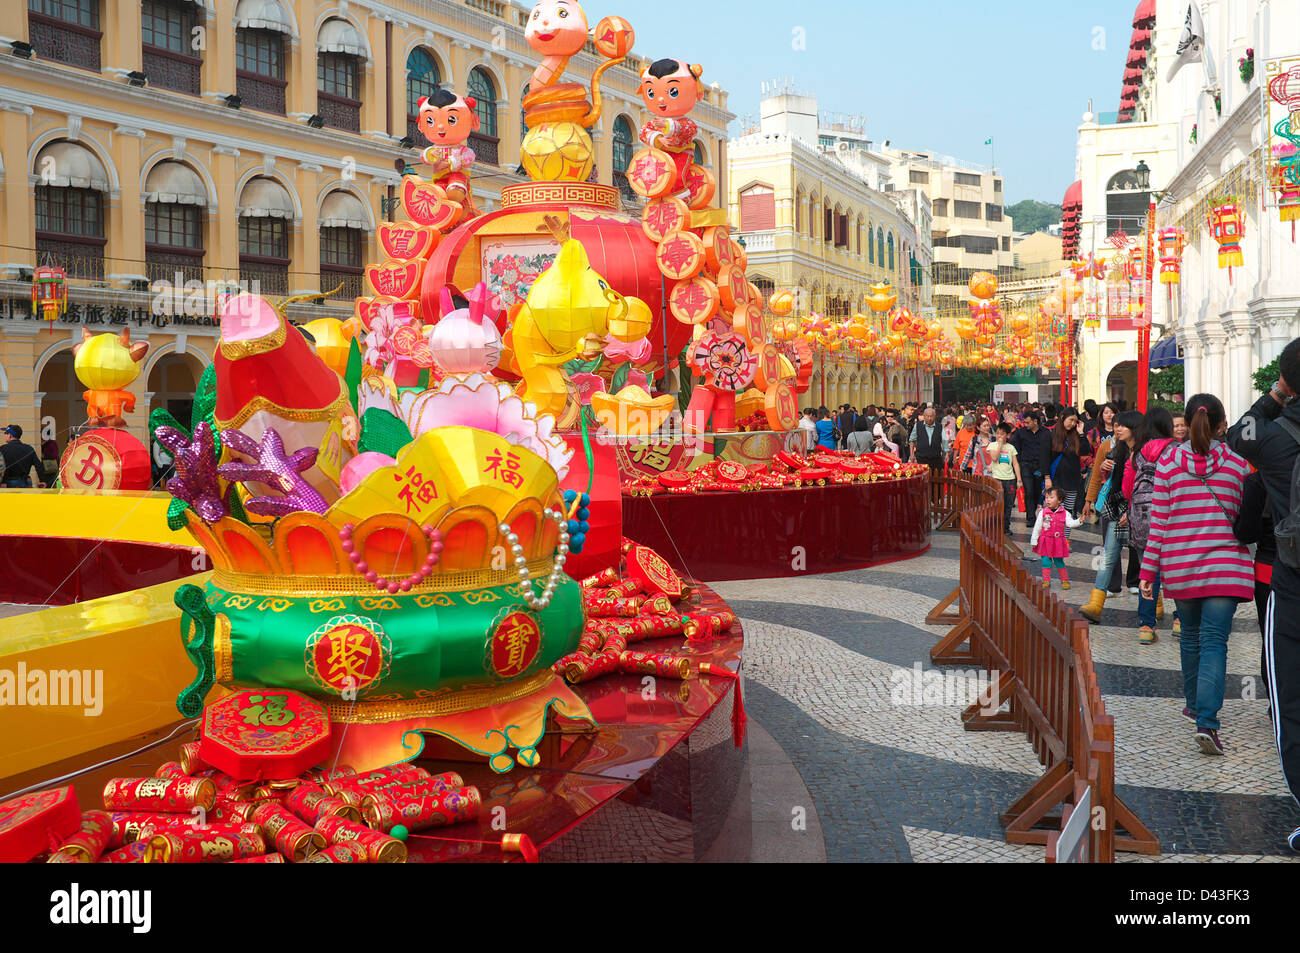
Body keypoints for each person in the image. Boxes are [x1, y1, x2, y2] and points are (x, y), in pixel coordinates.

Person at [1142, 394, 1252, 756]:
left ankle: (1194, 704)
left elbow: (1159, 523)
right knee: (1215, 642)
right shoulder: (1238, 466)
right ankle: (1207, 721)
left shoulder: (1168, 464)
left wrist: (1148, 571)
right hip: (1225, 568)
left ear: (1187, 423)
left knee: (1190, 637)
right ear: (1222, 424)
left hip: (1181, 566)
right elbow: (1243, 517)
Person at [1226, 341, 1300, 835]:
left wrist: (1278, 393)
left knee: (1288, 697)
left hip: (1292, 587)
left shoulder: (1274, 439)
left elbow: (1237, 434)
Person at [1080, 410, 1144, 623]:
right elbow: (1101, 477)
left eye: (1122, 426)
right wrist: (1106, 471)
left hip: (1140, 510)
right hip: (1116, 507)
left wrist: (1132, 510)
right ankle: (1096, 604)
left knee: (1146, 559)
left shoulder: (1145, 452)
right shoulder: (1114, 448)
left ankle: (1154, 603)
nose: (1117, 429)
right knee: (1108, 555)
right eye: (1116, 425)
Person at [1127, 407, 1177, 641]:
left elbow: (1128, 488)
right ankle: (1180, 621)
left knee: (1148, 572)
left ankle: (1146, 627)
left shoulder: (1137, 452)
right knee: (1175, 570)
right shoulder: (1177, 450)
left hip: (1141, 516)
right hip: (1169, 513)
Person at [1235, 469, 1276, 709]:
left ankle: (1277, 701)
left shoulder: (1259, 479)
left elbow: (1246, 532)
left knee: (1272, 638)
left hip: (1269, 570)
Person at [1041, 407, 1091, 522]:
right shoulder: (1049, 434)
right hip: (1055, 480)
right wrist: (1047, 478)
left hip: (1072, 481)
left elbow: (1085, 451)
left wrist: (1081, 433)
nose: (1073, 424)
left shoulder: (1075, 436)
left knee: (1067, 514)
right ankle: (1050, 538)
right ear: (1062, 417)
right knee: (1052, 512)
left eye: (1075, 421)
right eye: (1071, 420)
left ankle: (1064, 539)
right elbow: (1044, 459)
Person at [1031, 486, 1082, 589]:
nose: (1048, 500)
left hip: (1058, 542)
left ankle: (1064, 580)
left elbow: (1070, 524)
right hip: (1045, 541)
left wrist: (1080, 520)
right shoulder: (1043, 512)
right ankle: (1046, 580)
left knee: (1059, 561)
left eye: (1051, 497)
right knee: (1046, 561)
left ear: (1060, 500)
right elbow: (1037, 527)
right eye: (1046, 498)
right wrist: (1034, 539)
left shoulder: (1065, 513)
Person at [1010, 410, 1048, 528]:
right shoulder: (1020, 433)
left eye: (1027, 423)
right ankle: (1030, 517)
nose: (1025, 425)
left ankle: (1034, 511)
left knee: (1037, 491)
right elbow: (1014, 448)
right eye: (1024, 423)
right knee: (1029, 491)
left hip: (1038, 466)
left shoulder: (1045, 433)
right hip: (1025, 465)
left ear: (1035, 421)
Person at [987, 422, 1023, 535]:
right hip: (997, 479)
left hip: (1010, 479)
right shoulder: (992, 445)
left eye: (1002, 434)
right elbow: (994, 458)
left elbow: (1016, 464)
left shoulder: (1011, 448)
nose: (999, 436)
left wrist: (1019, 479)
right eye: (997, 433)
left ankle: (1005, 527)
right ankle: (996, 527)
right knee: (997, 504)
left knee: (1008, 505)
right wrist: (1000, 445)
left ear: (1008, 435)